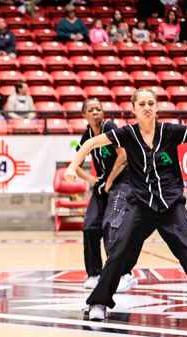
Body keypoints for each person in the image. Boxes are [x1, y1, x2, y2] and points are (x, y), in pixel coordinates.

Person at [65, 88, 187, 321]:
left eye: (151, 103)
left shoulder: (170, 131)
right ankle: (98, 303)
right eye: (142, 104)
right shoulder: (127, 134)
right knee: (119, 253)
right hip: (141, 206)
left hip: (171, 204)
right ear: (133, 109)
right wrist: (72, 167)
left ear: (157, 107)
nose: (147, 107)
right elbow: (90, 144)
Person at [66, 98, 136, 292]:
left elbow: (123, 156)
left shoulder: (109, 127)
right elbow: (76, 163)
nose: (95, 112)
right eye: (91, 110)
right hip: (104, 184)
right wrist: (91, 180)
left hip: (122, 181)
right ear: (84, 115)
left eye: (98, 109)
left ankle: (124, 274)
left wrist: (110, 181)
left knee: (110, 225)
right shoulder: (87, 135)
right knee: (90, 227)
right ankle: (94, 274)